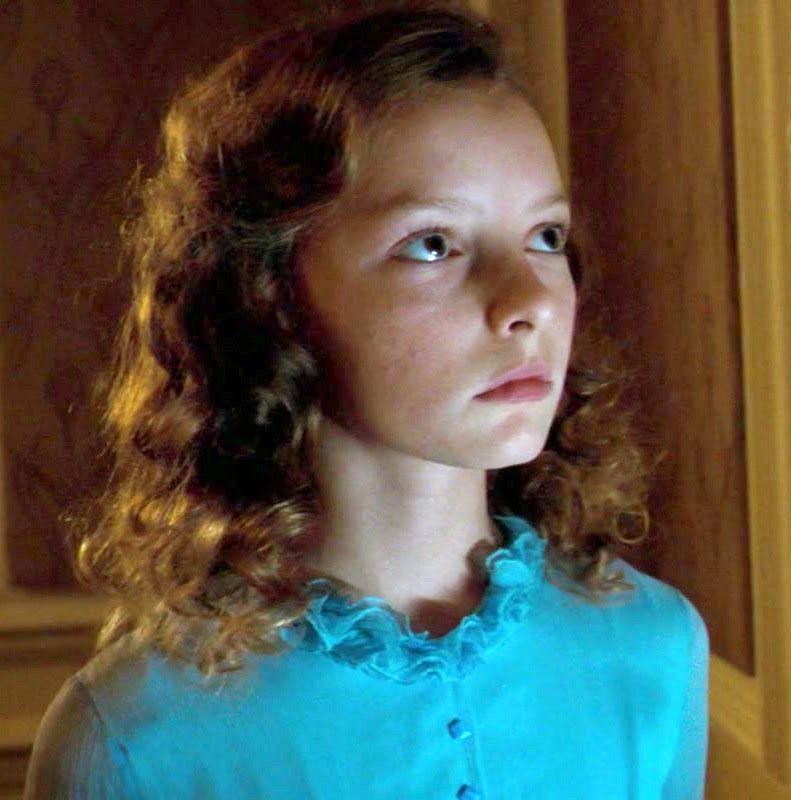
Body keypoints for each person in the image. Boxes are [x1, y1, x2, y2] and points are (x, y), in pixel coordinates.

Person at [24, 4, 709, 798]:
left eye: (545, 236)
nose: (529, 299)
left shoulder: (652, 651)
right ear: (271, 296)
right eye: (433, 243)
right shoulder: (135, 742)